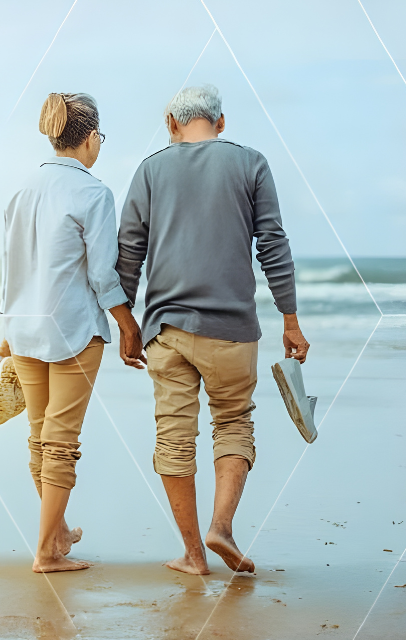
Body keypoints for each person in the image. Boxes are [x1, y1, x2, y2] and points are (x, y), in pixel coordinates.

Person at [116, 84, 311, 575]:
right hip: (233, 330)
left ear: (171, 123)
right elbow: (273, 244)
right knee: (233, 423)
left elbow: (128, 254)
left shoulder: (150, 169)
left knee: (175, 439)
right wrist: (289, 317)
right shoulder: (251, 163)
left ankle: (193, 555)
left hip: (167, 330)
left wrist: (126, 323)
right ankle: (221, 526)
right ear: (221, 123)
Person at [0, 92, 145, 573]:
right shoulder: (93, 193)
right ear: (89, 137)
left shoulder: (22, 189)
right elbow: (103, 274)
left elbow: (10, 270)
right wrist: (127, 324)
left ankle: (55, 534)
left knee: (39, 438)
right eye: (100, 136)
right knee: (60, 442)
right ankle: (45, 552)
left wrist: (5, 332)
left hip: (23, 329)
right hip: (74, 332)